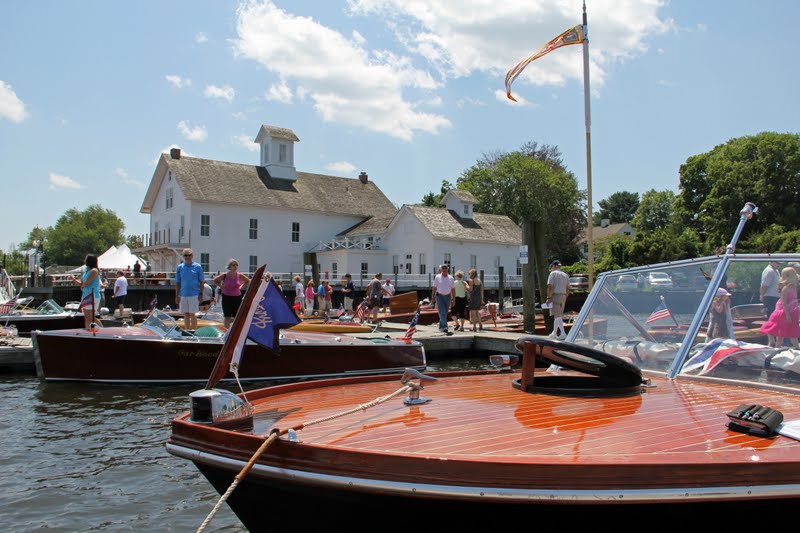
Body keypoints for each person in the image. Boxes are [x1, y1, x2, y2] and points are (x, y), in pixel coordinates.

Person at [760, 267, 800, 348]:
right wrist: (787, 315)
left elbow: (793, 300)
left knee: (791, 332)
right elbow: (784, 302)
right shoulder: (786, 288)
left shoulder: (793, 287)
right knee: (779, 331)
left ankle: (794, 348)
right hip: (784, 311)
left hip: (792, 311)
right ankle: (775, 345)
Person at [213, 259, 251, 328]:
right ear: (230, 266)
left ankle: (236, 330)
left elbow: (247, 281)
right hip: (227, 297)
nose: (235, 266)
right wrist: (221, 286)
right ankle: (226, 331)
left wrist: (241, 287)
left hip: (237, 297)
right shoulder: (225, 275)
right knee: (227, 316)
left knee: (237, 316)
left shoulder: (239, 275)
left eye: (237, 265)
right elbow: (215, 281)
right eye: (233, 265)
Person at [175, 248, 205, 331]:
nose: (187, 257)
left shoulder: (197, 267)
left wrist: (201, 294)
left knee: (193, 314)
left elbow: (202, 281)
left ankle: (194, 331)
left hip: (194, 294)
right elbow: (178, 282)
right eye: (185, 255)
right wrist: (177, 295)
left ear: (192, 256)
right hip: (183, 294)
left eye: (189, 255)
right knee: (186, 314)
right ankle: (187, 331)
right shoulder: (180, 267)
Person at [72, 254, 103, 329]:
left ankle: (103, 330)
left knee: (91, 316)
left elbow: (86, 283)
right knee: (86, 316)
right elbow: (81, 284)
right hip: (85, 295)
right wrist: (73, 279)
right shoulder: (86, 271)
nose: (84, 260)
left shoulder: (94, 271)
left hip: (92, 295)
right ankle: (88, 331)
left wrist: (82, 285)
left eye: (85, 259)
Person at [546, 260, 570, 339]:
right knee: (558, 315)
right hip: (563, 296)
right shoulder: (565, 275)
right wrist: (565, 296)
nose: (551, 268)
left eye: (552, 266)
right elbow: (568, 288)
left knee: (557, 315)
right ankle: (554, 332)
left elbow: (550, 286)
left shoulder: (552, 274)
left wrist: (548, 297)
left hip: (555, 295)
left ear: (555, 266)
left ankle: (563, 333)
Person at [432, 264, 455, 334]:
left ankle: (441, 326)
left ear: (448, 269)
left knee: (445, 312)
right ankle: (445, 327)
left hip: (448, 296)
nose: (444, 269)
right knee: (442, 312)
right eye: (443, 268)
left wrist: (453, 299)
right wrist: (432, 297)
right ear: (441, 269)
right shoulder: (437, 277)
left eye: (445, 268)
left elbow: (453, 289)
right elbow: (434, 288)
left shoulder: (451, 278)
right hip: (439, 296)